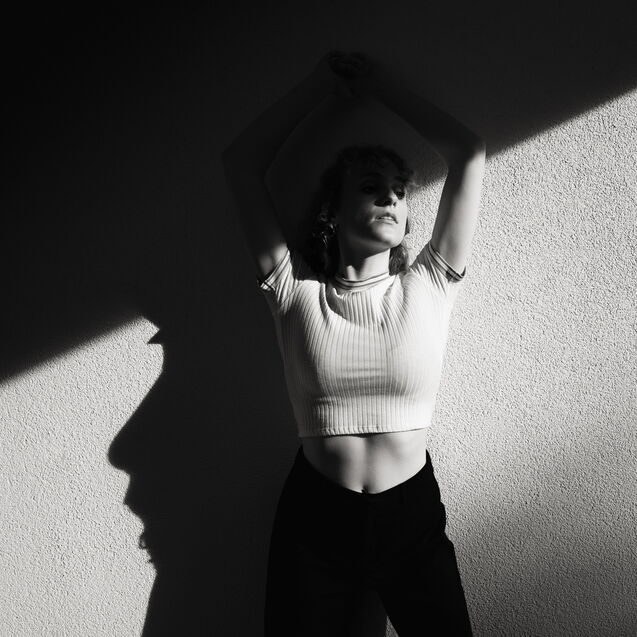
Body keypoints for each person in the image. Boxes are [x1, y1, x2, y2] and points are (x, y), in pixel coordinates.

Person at [222, 51, 486, 637]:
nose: (391, 197)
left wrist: (380, 86)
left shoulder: (429, 284)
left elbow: (469, 154)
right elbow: (240, 164)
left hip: (411, 519)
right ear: (333, 213)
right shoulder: (295, 293)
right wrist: (321, 85)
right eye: (371, 187)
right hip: (315, 521)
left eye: (399, 189)